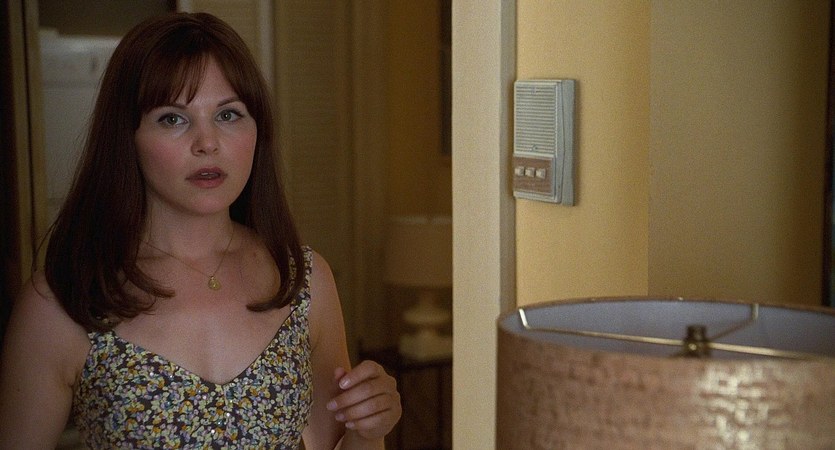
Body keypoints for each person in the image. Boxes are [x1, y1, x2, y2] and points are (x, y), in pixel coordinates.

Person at [0, 12, 400, 449]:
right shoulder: (63, 302)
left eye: (228, 114)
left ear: (258, 129)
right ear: (126, 136)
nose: (207, 143)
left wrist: (369, 428)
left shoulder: (303, 280)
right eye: (173, 119)